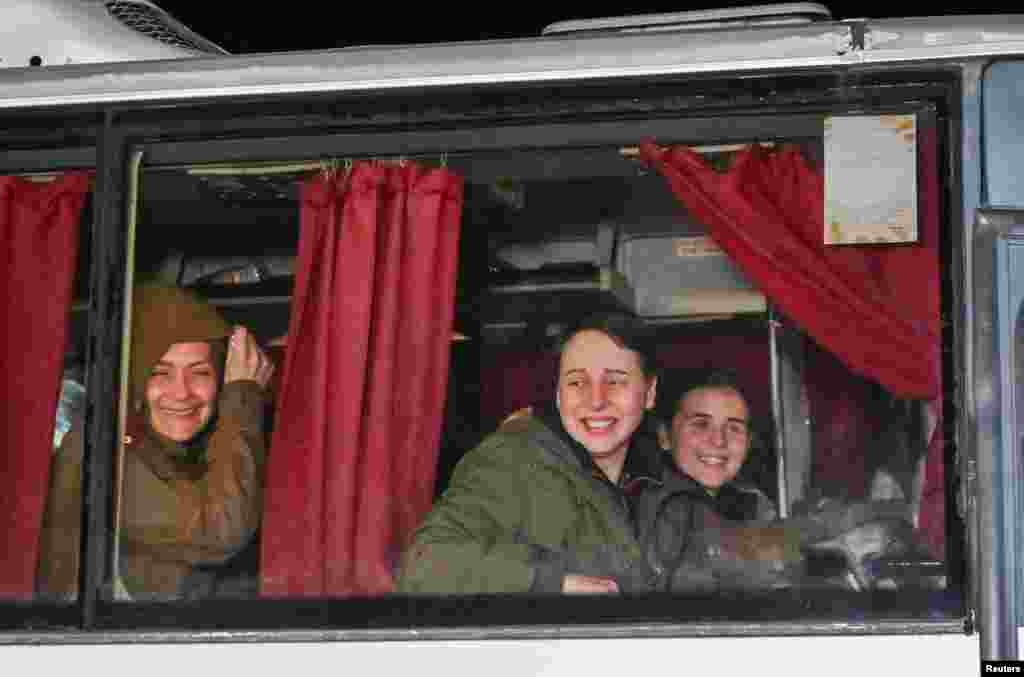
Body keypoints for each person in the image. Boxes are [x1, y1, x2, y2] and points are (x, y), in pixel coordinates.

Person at [37, 283, 274, 600]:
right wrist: (243, 397)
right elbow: (221, 528)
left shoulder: (180, 452)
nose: (181, 392)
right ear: (132, 375)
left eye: (200, 372)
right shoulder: (101, 450)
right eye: (159, 372)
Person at [397, 314, 665, 595]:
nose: (596, 400)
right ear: (558, 394)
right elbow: (423, 565)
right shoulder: (510, 462)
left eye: (615, 381)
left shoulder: (666, 483)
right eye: (576, 383)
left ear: (649, 393)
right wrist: (553, 584)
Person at [637, 367, 797, 593]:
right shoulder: (654, 511)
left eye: (734, 428)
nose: (719, 441)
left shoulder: (752, 503)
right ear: (664, 436)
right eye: (701, 424)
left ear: (749, 442)